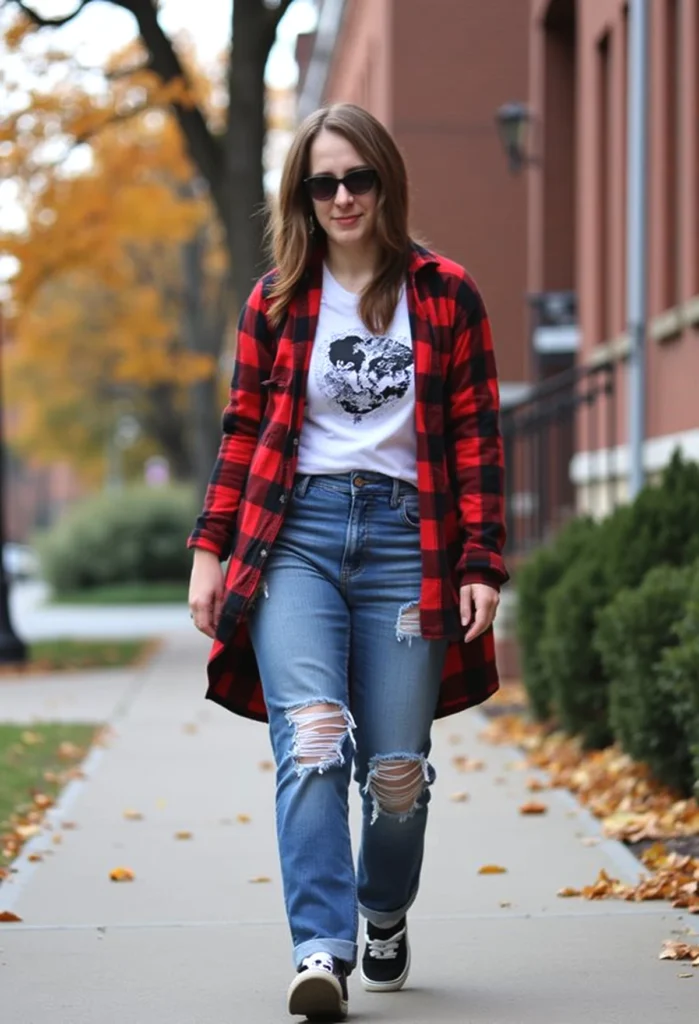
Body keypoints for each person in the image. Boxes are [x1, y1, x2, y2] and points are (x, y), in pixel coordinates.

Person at [187, 102, 508, 1022]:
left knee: (396, 771)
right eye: (321, 181)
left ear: (385, 182)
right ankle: (319, 949)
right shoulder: (278, 299)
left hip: (413, 541)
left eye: (356, 178)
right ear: (302, 193)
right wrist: (210, 548)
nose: (340, 196)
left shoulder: (445, 294)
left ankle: (382, 910)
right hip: (297, 536)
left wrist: (479, 560)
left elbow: (479, 435)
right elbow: (244, 431)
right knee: (316, 738)